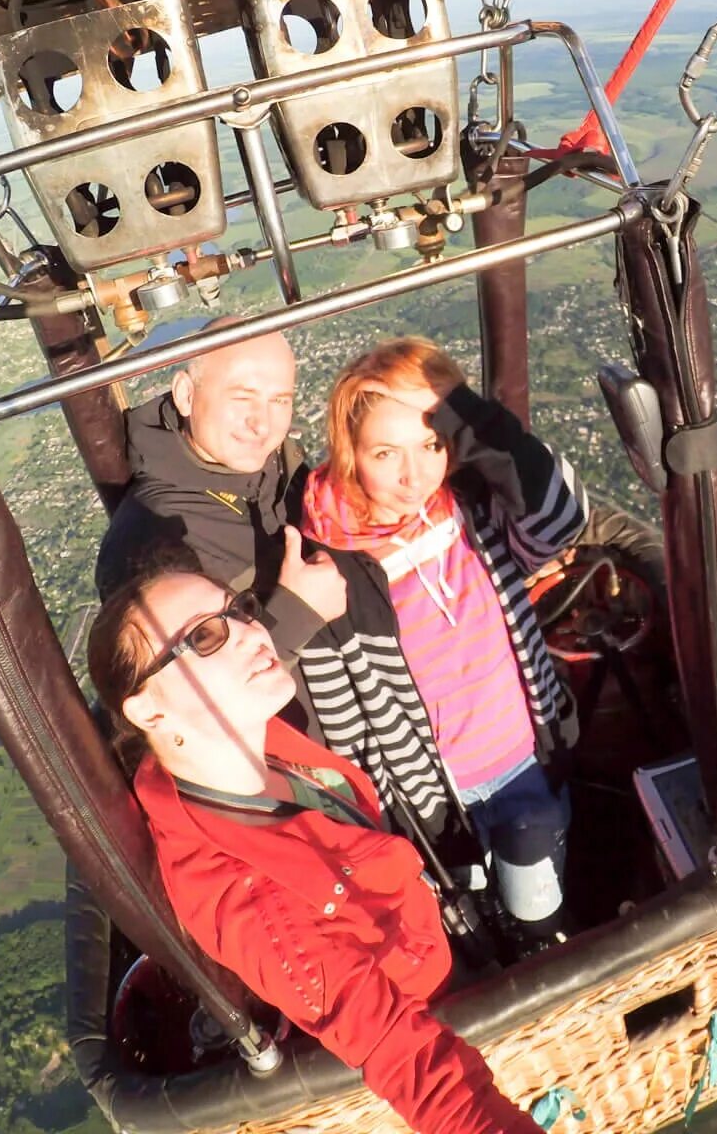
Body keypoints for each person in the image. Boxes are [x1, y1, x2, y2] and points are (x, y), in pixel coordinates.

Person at [89, 562, 542, 1134]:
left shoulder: (259, 747)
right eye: (205, 635)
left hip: (434, 946)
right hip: (435, 1010)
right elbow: (408, 1062)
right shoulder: (249, 897)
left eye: (239, 609)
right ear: (150, 711)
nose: (253, 632)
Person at [300, 338, 583, 945]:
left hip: (524, 764)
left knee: (539, 916)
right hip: (428, 802)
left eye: (431, 444)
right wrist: (384, 821)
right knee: (468, 929)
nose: (413, 475)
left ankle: (539, 940)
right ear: (348, 453)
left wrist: (460, 408)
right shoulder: (329, 566)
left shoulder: (475, 514)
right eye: (385, 453)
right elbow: (339, 714)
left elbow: (560, 516)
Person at [94, 326, 346, 651]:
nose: (263, 424)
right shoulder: (149, 541)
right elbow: (182, 693)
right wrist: (295, 617)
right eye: (242, 399)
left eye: (279, 401)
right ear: (186, 395)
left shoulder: (281, 465)